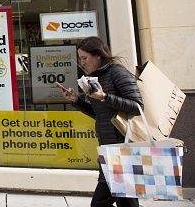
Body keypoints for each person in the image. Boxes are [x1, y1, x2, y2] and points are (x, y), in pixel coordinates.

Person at [57, 36, 143, 207]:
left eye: (84, 58)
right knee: (122, 201)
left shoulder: (116, 72)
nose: (82, 62)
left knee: (102, 203)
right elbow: (100, 114)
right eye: (80, 58)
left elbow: (137, 106)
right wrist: (77, 100)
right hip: (109, 148)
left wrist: (105, 97)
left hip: (122, 148)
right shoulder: (96, 78)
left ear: (98, 55)